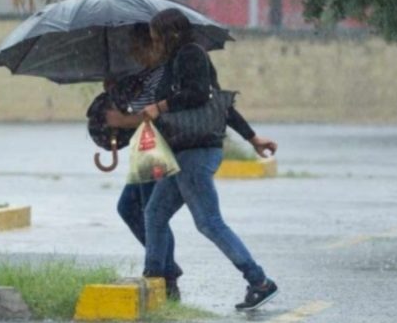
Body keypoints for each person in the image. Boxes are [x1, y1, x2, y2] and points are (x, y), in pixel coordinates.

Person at [105, 22, 277, 305]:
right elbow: (222, 105)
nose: (155, 42)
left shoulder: (190, 54)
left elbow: (199, 94)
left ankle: (259, 280)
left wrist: (160, 107)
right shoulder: (175, 62)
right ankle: (156, 280)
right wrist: (253, 138)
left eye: (156, 36)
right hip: (181, 153)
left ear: (170, 33)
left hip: (197, 153)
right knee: (154, 214)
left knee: (209, 222)